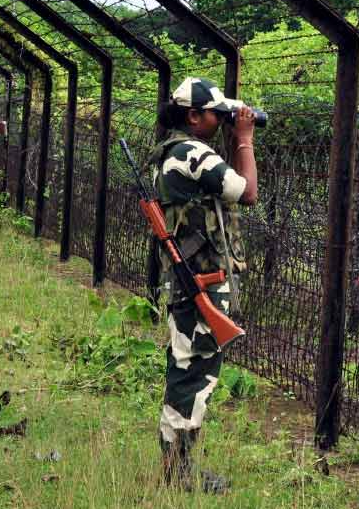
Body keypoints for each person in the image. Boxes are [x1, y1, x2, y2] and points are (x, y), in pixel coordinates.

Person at [149, 77, 258, 493]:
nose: (224, 119)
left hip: (193, 280)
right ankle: (178, 472)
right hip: (202, 284)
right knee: (194, 375)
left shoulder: (174, 152)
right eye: (217, 113)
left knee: (187, 370)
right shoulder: (192, 152)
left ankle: (177, 467)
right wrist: (244, 139)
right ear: (194, 117)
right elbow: (246, 192)